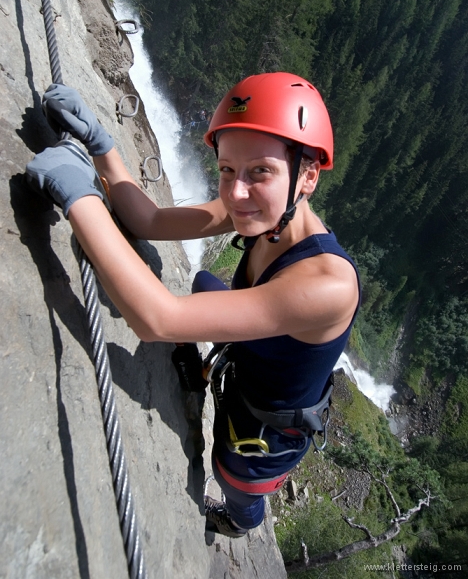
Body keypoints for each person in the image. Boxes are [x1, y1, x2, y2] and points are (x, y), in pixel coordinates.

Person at [26, 72, 361, 538]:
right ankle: (202, 374)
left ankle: (241, 520)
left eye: (259, 171)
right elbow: (151, 220)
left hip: (263, 429)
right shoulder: (258, 209)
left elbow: (157, 320)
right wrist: (101, 144)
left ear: (307, 174)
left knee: (231, 477)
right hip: (257, 351)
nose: (235, 191)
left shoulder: (328, 285)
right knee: (205, 282)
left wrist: (81, 200)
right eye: (226, 169)